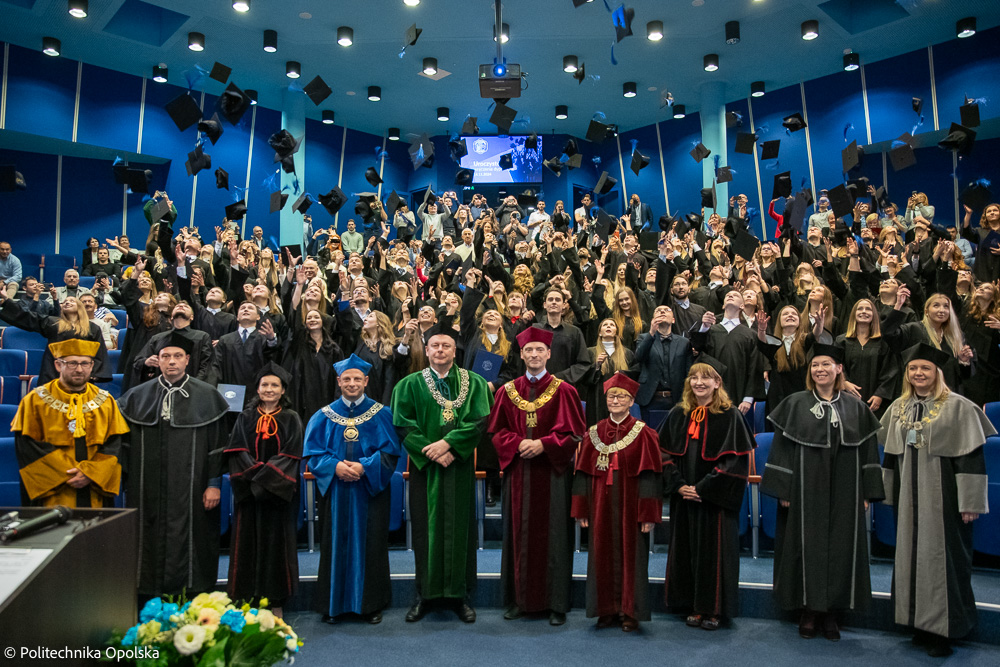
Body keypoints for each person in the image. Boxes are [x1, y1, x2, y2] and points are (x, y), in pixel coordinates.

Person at [761, 343, 885, 641]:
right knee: (807, 546)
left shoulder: (856, 407)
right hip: (805, 488)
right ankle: (808, 610)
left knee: (841, 548)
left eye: (826, 364)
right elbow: (782, 450)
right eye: (815, 365)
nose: (820, 370)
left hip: (846, 488)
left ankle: (832, 612)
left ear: (839, 369)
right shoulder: (795, 403)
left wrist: (868, 492)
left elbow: (869, 451)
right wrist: (784, 489)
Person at [880, 343, 995, 658]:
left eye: (925, 369)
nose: (918, 373)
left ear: (937, 373)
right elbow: (891, 455)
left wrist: (970, 502)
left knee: (942, 560)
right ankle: (917, 623)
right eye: (914, 369)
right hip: (908, 497)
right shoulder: (898, 407)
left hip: (943, 496)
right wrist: (886, 493)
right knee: (910, 557)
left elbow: (971, 459)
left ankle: (944, 630)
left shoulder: (958, 407)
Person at [390, 321, 493, 623]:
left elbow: (478, 422)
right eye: (435, 345)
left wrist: (448, 444)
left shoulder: (473, 383)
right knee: (425, 531)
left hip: (459, 469)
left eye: (446, 345)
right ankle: (425, 596)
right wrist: (429, 450)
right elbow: (402, 424)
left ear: (454, 350)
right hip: (426, 472)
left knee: (462, 532)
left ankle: (460, 597)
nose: (440, 350)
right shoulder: (408, 385)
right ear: (427, 348)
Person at [117, 331, 229, 597]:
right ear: (158, 360)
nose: (171, 362)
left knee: (193, 540)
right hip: (146, 489)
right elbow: (123, 446)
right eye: (165, 357)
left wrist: (214, 485)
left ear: (187, 360)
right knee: (146, 537)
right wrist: (126, 483)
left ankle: (194, 592)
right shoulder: (136, 397)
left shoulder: (207, 397)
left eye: (177, 356)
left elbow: (218, 447)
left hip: (193, 488)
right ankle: (146, 593)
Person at [488, 326, 586, 626]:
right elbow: (495, 432)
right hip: (518, 473)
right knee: (519, 534)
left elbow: (574, 434)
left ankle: (556, 603)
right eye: (528, 350)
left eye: (539, 350)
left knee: (555, 536)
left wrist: (543, 443)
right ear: (521, 354)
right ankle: (520, 600)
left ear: (548, 354)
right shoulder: (507, 392)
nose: (533, 354)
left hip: (553, 476)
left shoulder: (565, 390)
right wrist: (517, 444)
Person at [303, 354, 401, 624]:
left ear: (366, 381)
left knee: (371, 545)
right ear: (338, 381)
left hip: (369, 492)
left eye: (357, 378)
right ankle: (334, 606)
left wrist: (364, 467)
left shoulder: (382, 414)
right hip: (336, 492)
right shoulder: (322, 416)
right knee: (335, 544)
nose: (352, 383)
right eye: (347, 379)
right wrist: (334, 466)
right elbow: (313, 453)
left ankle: (370, 605)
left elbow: (390, 454)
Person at [659, 362, 755, 631]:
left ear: (717, 383)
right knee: (686, 551)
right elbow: (663, 454)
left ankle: (713, 609)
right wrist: (678, 485)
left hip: (714, 501)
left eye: (705, 378)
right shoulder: (679, 413)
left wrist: (703, 488)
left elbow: (735, 462)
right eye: (693, 378)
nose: (698, 382)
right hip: (684, 497)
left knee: (714, 554)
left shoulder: (730, 415)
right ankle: (691, 605)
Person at [572, 372, 662, 632]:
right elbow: (582, 474)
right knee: (600, 555)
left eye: (622, 396)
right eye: (612, 395)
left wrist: (648, 514)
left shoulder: (645, 434)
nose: (616, 400)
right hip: (600, 504)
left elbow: (651, 476)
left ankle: (630, 610)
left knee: (633, 556)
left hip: (631, 503)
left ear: (632, 400)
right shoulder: (594, 433)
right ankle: (606, 609)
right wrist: (581, 509)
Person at [224, 362, 303, 618]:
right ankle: (246, 599)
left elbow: (291, 454)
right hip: (248, 495)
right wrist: (255, 478)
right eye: (264, 385)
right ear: (257, 389)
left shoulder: (291, 418)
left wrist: (265, 479)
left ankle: (275, 600)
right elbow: (237, 451)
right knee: (245, 544)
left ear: (283, 390)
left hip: (278, 495)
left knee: (276, 547)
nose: (269, 389)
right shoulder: (245, 417)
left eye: (274, 385)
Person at [12, 339, 129, 508]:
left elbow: (115, 445)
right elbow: (28, 446)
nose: (79, 369)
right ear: (58, 365)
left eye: (85, 363)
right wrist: (69, 474)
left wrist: (90, 473)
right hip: (51, 492)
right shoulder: (35, 401)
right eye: (72, 363)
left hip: (94, 490)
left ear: (92, 366)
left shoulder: (106, 401)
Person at [0, 291, 112, 385]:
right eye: (65, 302)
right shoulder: (52, 322)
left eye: (72, 301)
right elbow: (28, 317)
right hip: (53, 373)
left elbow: (99, 353)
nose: (67, 302)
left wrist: (93, 374)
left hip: (81, 373)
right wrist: (6, 300)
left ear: (80, 307)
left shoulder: (93, 328)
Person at [634, 305, 694, 427]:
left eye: (667, 310)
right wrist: (651, 332)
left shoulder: (684, 342)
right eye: (658, 310)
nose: (662, 311)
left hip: (676, 398)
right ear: (652, 319)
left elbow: (689, 372)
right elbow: (639, 357)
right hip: (650, 398)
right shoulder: (644, 338)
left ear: (673, 320)